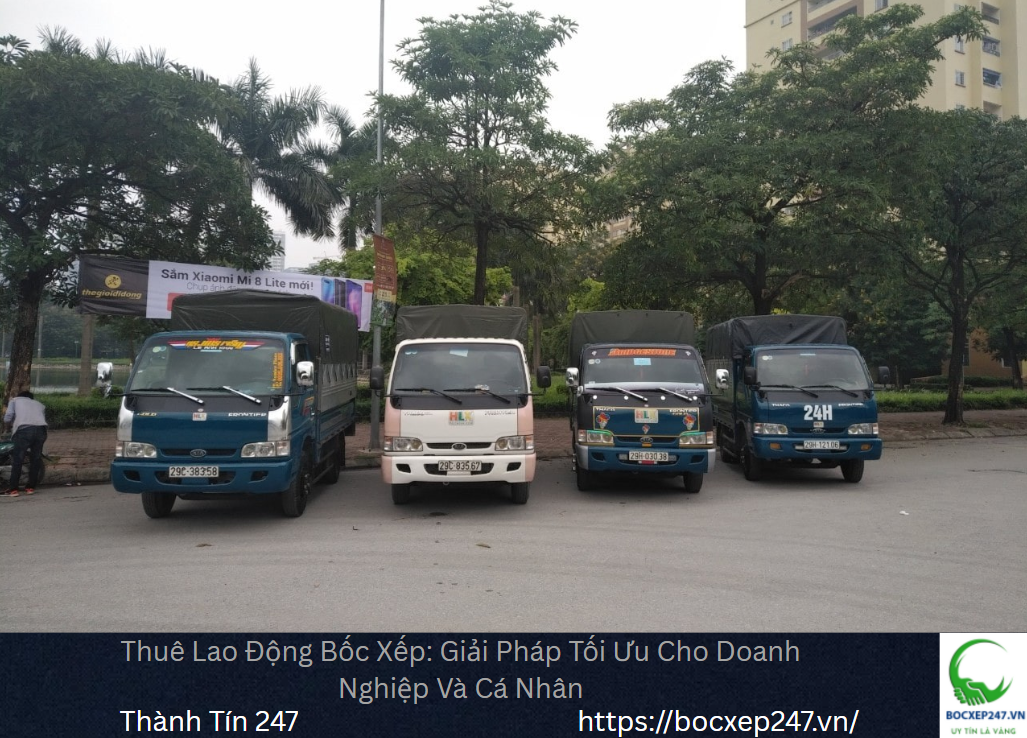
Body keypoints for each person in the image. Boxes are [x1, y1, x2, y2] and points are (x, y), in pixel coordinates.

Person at [2, 389, 48, 496]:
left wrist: (12, 421)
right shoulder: (39, 404)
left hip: (24, 431)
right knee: (36, 459)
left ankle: (13, 489)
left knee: (18, 459)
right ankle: (30, 488)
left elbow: (7, 418)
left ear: (20, 396)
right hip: (41, 431)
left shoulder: (14, 400)